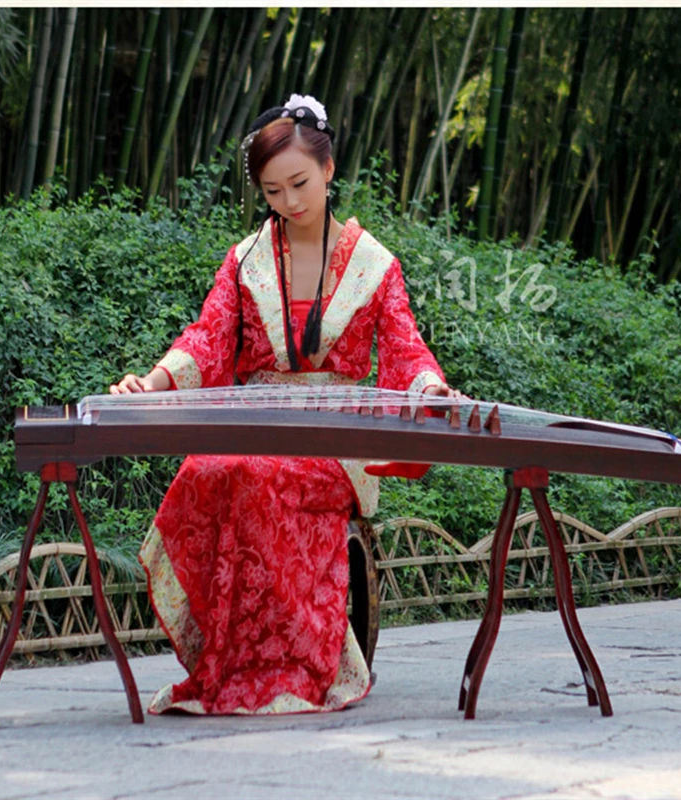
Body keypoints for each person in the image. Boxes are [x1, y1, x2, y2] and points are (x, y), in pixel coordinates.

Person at [110, 94, 461, 716]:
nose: (290, 202)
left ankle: (299, 662)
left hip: (336, 434)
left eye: (299, 183)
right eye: (273, 192)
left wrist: (429, 389)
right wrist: (156, 379)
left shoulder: (376, 266)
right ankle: (230, 660)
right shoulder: (245, 260)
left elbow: (406, 349)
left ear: (328, 170)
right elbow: (207, 337)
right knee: (207, 471)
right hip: (259, 417)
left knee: (259, 478)